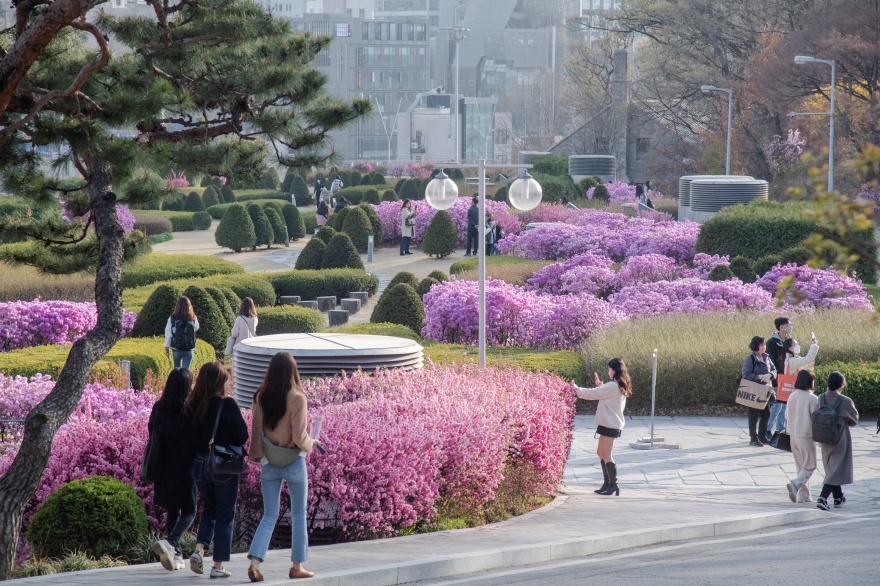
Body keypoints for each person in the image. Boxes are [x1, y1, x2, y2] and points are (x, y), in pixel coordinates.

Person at [246, 353, 321, 582]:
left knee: (269, 514)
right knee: (298, 514)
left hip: (269, 461)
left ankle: (255, 564)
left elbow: (256, 431)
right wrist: (312, 443)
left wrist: (259, 456)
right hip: (294, 462)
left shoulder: (260, 396)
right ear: (293, 371)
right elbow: (299, 437)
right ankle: (297, 566)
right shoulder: (298, 398)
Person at [183, 362, 249, 579]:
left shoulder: (192, 404)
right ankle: (218, 566)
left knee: (210, 509)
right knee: (225, 514)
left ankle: (199, 550)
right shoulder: (227, 404)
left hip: (200, 465)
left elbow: (189, 439)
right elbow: (241, 435)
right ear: (220, 382)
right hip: (222, 465)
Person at [150, 369, 197, 572]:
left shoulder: (159, 407)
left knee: (172, 509)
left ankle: (175, 553)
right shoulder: (189, 410)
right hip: (185, 465)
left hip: (163, 464)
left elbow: (151, 431)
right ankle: (171, 543)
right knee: (190, 509)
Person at [574, 358, 632, 496]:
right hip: (609, 423)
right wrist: (601, 387)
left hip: (610, 424)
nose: (608, 372)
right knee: (601, 453)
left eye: (609, 369)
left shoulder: (612, 386)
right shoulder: (616, 385)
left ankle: (613, 484)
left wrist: (576, 389)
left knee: (606, 454)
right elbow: (604, 393)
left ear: (614, 370)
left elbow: (592, 394)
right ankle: (607, 484)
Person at [815, 372, 859, 511]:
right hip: (840, 438)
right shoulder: (845, 401)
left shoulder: (820, 398)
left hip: (823, 437)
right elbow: (854, 420)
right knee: (836, 469)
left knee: (832, 467)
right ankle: (822, 498)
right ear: (841, 384)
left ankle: (838, 497)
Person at [785, 370, 818, 503]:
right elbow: (816, 420)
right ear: (810, 382)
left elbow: (786, 416)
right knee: (810, 466)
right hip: (806, 436)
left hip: (793, 435)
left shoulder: (792, 396)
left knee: (801, 466)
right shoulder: (812, 399)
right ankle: (796, 484)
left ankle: (804, 495)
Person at [742, 336, 777, 447]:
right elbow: (746, 374)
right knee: (753, 415)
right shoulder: (750, 359)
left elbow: (774, 370)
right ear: (756, 346)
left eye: (764, 344)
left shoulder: (767, 357)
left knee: (766, 414)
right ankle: (753, 438)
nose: (764, 347)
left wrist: (770, 375)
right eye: (762, 345)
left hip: (765, 390)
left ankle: (762, 436)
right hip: (754, 390)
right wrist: (758, 377)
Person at [767, 317, 792, 436]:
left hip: (787, 378)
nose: (790, 326)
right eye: (788, 324)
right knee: (776, 406)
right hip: (777, 379)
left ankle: (779, 431)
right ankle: (767, 429)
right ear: (781, 327)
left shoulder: (790, 340)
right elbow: (770, 362)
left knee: (784, 406)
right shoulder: (771, 342)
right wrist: (775, 379)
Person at [164, 296, 199, 370]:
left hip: (176, 348)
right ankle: (186, 381)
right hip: (189, 348)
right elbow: (196, 328)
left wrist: (166, 347)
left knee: (177, 370)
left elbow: (168, 334)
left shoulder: (172, 318)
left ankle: (177, 382)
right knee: (186, 371)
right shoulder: (193, 317)